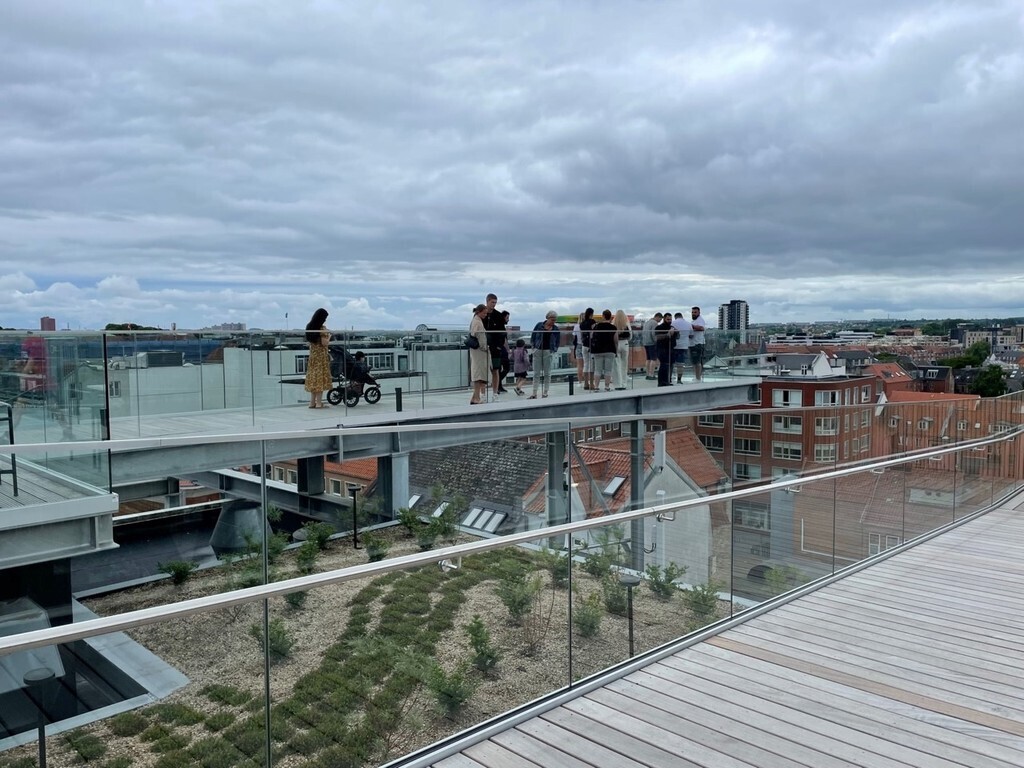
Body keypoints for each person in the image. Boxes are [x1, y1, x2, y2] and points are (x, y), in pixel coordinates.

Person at [304, 308, 332, 408]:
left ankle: (312, 402)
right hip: (321, 357)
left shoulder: (309, 327)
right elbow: (325, 343)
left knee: (313, 378)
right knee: (320, 379)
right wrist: (329, 336)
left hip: (313, 356)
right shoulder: (321, 329)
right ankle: (319, 403)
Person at [529, 310, 560, 399]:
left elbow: (557, 341)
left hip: (548, 351)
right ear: (547, 318)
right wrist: (533, 347)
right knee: (536, 373)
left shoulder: (555, 329)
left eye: (555, 320)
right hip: (538, 350)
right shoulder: (539, 325)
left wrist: (554, 350)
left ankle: (545, 392)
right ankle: (534, 393)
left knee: (547, 373)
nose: (553, 322)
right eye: (552, 319)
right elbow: (533, 336)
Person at [482, 293, 507, 400]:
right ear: (487, 301)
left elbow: (502, 333)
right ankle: (482, 394)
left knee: (496, 370)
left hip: (495, 348)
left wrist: (499, 346)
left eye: (495, 303)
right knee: (483, 370)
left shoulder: (498, 316)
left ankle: (495, 393)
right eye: (492, 302)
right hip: (483, 348)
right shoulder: (481, 314)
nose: (494, 305)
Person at [589, 309, 618, 392]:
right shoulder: (613, 327)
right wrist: (616, 350)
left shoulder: (596, 326)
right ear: (610, 317)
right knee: (608, 370)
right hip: (610, 350)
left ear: (603, 316)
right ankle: (607, 386)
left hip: (598, 350)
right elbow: (616, 340)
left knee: (597, 369)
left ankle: (596, 386)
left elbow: (591, 337)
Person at [468, 303, 489, 404]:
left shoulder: (475, 320)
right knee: (478, 374)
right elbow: (480, 337)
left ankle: (475, 397)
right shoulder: (478, 322)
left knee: (478, 373)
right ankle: (476, 398)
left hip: (476, 351)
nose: (486, 315)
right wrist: (485, 347)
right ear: (479, 312)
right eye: (484, 313)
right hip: (479, 351)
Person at [654, 311, 676, 387]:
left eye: (670, 319)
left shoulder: (672, 327)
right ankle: (661, 382)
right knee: (664, 365)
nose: (669, 321)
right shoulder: (659, 327)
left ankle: (668, 380)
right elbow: (657, 337)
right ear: (664, 319)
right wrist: (667, 334)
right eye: (668, 319)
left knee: (670, 365)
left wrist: (675, 332)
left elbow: (677, 336)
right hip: (662, 349)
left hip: (671, 349)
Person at [671, 311, 692, 384]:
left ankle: (669, 378)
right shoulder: (688, 324)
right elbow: (691, 335)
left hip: (673, 345)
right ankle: (679, 379)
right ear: (682, 316)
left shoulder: (672, 323)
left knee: (671, 363)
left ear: (675, 317)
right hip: (684, 346)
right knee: (680, 364)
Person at [612, 309, 631, 390]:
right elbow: (630, 336)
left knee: (616, 364)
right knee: (624, 364)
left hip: (616, 344)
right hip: (625, 343)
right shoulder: (626, 323)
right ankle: (624, 383)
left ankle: (617, 384)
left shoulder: (613, 324)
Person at [578, 307, 596, 390]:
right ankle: (592, 384)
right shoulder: (592, 322)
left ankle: (585, 383)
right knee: (592, 364)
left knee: (586, 364)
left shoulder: (582, 323)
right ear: (591, 314)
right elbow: (593, 333)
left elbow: (581, 335)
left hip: (584, 345)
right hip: (590, 345)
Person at [642, 313, 662, 379]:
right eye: (660, 319)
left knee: (648, 359)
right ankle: (651, 374)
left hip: (645, 342)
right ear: (658, 317)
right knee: (653, 359)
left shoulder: (647, 322)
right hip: (652, 343)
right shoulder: (654, 323)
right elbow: (654, 333)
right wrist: (656, 341)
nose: (660, 321)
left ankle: (647, 374)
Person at [690, 306, 707, 382]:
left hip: (698, 343)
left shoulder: (700, 320)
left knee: (697, 362)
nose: (693, 314)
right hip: (692, 343)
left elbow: (701, 328)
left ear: (699, 313)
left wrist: (691, 327)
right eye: (692, 312)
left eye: (695, 312)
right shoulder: (693, 321)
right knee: (694, 361)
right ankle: (696, 377)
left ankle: (698, 378)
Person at [498, 310, 512, 393]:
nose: (508, 320)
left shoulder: (500, 326)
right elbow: (504, 340)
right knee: (506, 368)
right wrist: (508, 350)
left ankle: (499, 385)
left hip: (500, 349)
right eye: (507, 318)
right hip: (502, 350)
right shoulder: (501, 327)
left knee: (500, 369)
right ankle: (497, 383)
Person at [571, 310, 585, 387]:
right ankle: (588, 381)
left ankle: (580, 382)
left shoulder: (576, 326)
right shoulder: (587, 326)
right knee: (587, 364)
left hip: (579, 345)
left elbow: (574, 336)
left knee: (579, 365)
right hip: (587, 345)